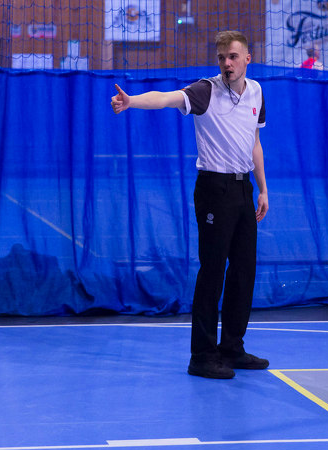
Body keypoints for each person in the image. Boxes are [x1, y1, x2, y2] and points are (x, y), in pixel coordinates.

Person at [111, 30, 269, 379]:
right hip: (214, 190)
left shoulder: (256, 91)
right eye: (221, 58)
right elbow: (165, 98)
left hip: (243, 189)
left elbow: (255, 141)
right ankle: (202, 356)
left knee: (244, 271)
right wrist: (132, 101)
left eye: (233, 57)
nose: (227, 63)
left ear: (247, 59)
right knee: (212, 271)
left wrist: (262, 189)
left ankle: (232, 347)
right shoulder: (205, 91)